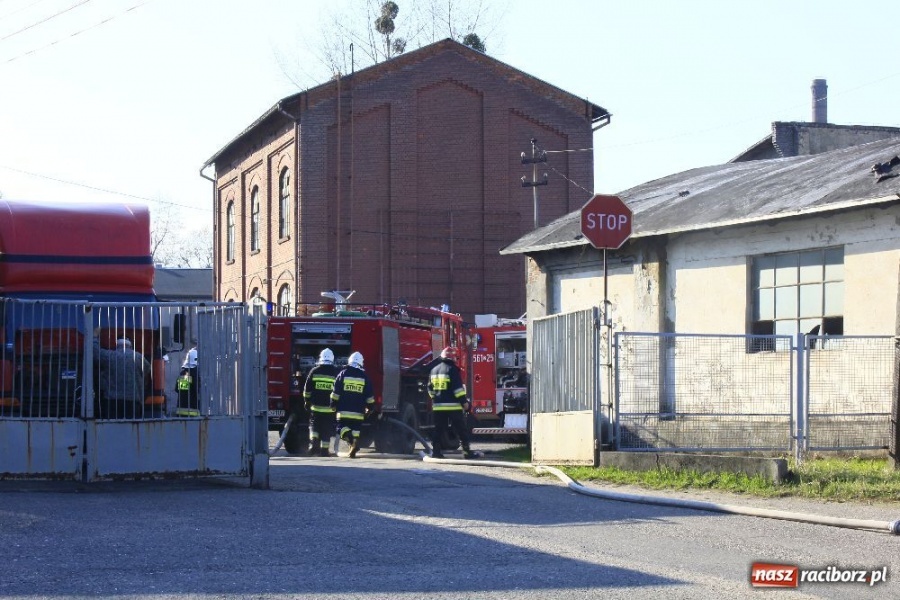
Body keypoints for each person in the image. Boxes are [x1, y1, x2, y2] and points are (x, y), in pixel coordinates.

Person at [427, 346, 473, 459]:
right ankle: (467, 452)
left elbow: (430, 389)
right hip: (453, 407)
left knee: (438, 430)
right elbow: (457, 389)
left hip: (438, 407)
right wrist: (464, 403)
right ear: (453, 358)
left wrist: (436, 399)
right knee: (461, 429)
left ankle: (436, 453)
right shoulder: (452, 369)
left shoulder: (434, 370)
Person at [93, 331, 151, 419]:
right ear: (130, 346)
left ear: (117, 344)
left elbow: (95, 352)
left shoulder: (110, 356)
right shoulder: (139, 358)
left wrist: (94, 337)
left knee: (113, 427)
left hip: (112, 401)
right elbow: (147, 370)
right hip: (133, 401)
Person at [329, 351, 375, 458]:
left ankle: (350, 441)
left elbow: (336, 392)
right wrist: (370, 408)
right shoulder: (364, 377)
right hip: (358, 413)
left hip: (343, 411)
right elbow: (369, 396)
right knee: (355, 430)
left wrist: (333, 404)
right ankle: (353, 445)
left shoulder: (343, 374)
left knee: (340, 428)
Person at [303, 348, 339, 457]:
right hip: (329, 409)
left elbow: (307, 389)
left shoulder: (314, 371)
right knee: (326, 429)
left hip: (315, 408)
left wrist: (307, 401)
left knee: (314, 426)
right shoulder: (336, 372)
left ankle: (314, 444)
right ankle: (324, 451)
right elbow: (338, 390)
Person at [176, 338, 199, 415]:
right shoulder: (195, 373)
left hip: (181, 411)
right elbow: (198, 390)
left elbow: (177, 389)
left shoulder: (183, 373)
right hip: (193, 412)